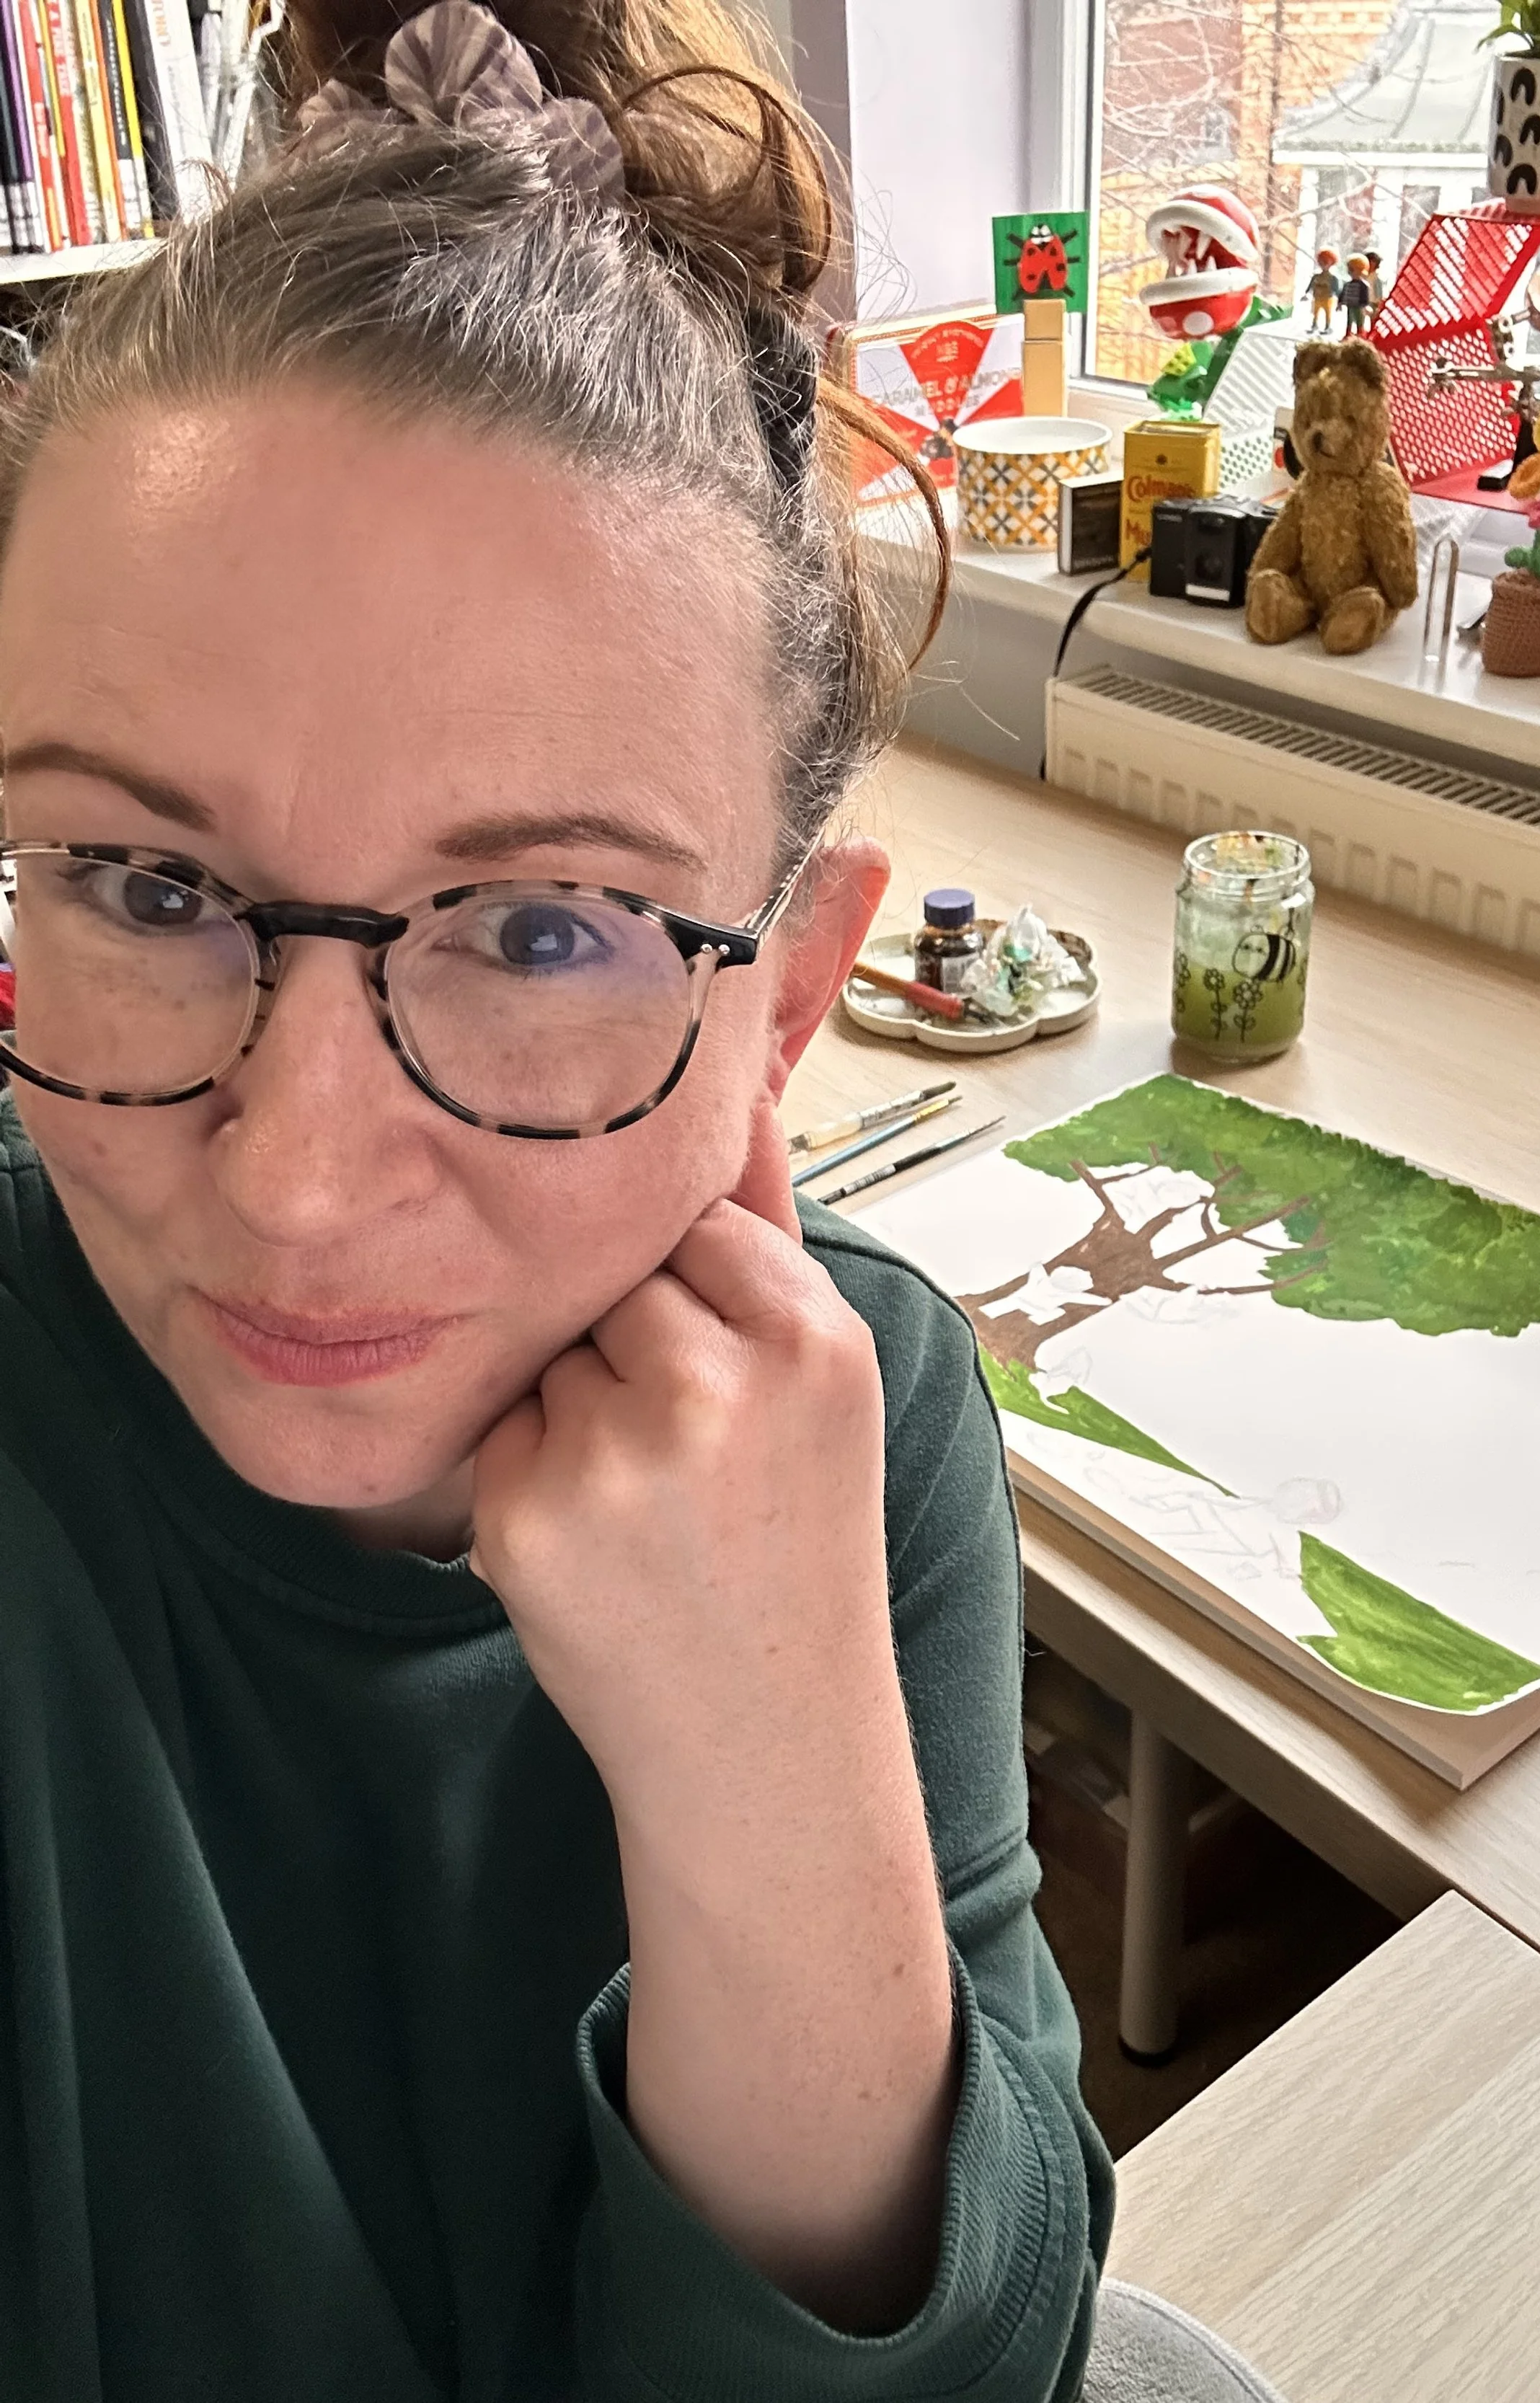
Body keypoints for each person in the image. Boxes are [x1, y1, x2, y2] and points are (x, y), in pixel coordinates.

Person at [0, 0, 1117, 2392]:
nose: (294, 1185)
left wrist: (775, 1768)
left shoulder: (865, 1406)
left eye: (542, 931)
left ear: (785, 1005)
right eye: (140, 880)